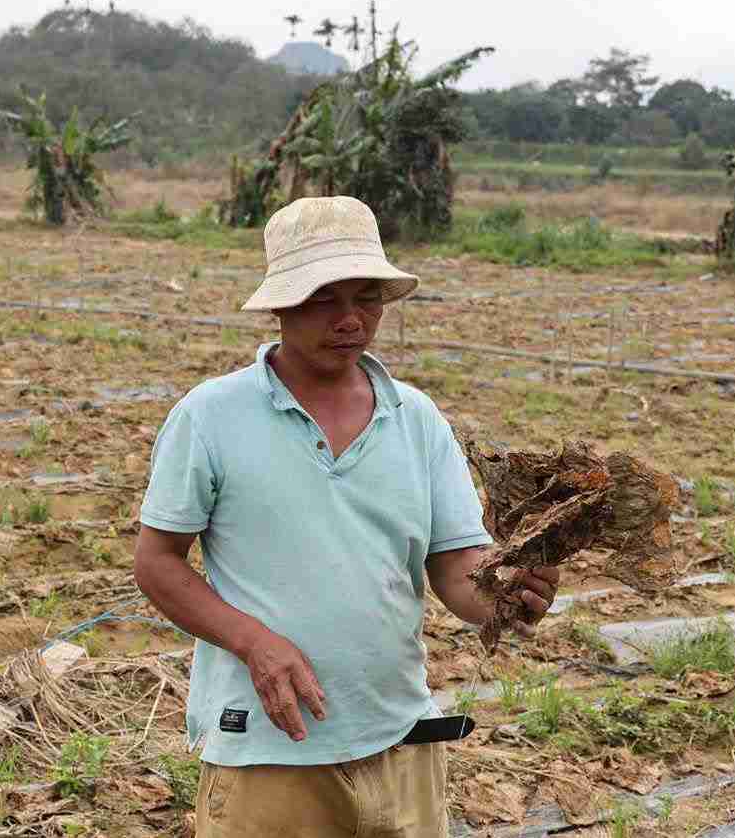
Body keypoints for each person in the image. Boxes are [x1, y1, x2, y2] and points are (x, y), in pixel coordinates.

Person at [134, 195, 558, 837]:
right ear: (280, 304)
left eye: (367, 298)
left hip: (399, 738)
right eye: (324, 299)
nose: (350, 320)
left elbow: (453, 568)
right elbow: (157, 563)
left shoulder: (416, 418)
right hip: (270, 752)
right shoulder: (211, 416)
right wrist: (255, 643)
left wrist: (506, 597)